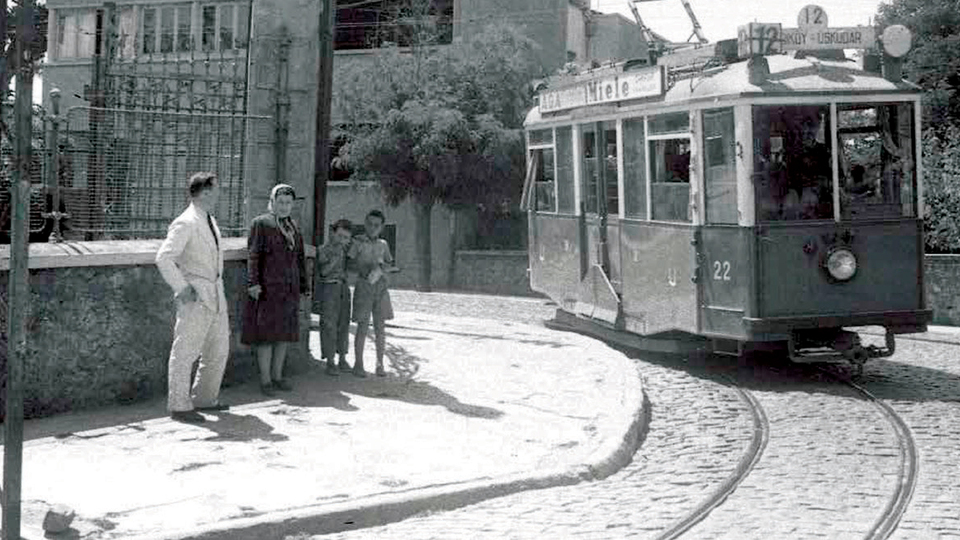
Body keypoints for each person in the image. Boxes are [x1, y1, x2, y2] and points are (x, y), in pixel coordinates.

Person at [156, 172, 230, 424]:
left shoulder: (208, 219)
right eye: (217, 189)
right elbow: (164, 257)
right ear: (206, 192)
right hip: (196, 296)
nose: (220, 193)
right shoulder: (186, 222)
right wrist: (181, 287)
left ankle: (205, 398)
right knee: (186, 350)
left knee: (218, 349)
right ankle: (179, 404)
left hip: (215, 294)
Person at [241, 184, 309, 396]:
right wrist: (253, 283)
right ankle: (266, 381)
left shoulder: (293, 227)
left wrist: (304, 285)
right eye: (280, 202)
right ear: (272, 202)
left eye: (288, 203)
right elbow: (253, 255)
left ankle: (278, 376)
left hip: (289, 290)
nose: (284, 206)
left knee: (283, 336)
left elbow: (299, 259)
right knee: (266, 336)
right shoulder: (261, 224)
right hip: (269, 289)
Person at [348, 210, 395, 378]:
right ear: (365, 224)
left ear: (382, 227)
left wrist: (382, 269)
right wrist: (364, 268)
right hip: (364, 285)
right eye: (370, 224)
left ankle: (380, 363)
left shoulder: (384, 244)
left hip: (380, 288)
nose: (373, 228)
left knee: (380, 327)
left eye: (377, 225)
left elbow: (390, 263)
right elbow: (349, 263)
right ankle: (358, 364)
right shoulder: (357, 242)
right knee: (362, 326)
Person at [315, 218, 354, 376]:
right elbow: (324, 272)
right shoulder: (323, 249)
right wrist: (336, 257)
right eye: (340, 236)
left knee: (344, 323)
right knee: (329, 324)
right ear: (332, 233)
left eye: (346, 238)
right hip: (329, 287)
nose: (342, 240)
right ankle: (330, 361)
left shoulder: (346, 250)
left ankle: (342, 358)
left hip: (343, 287)